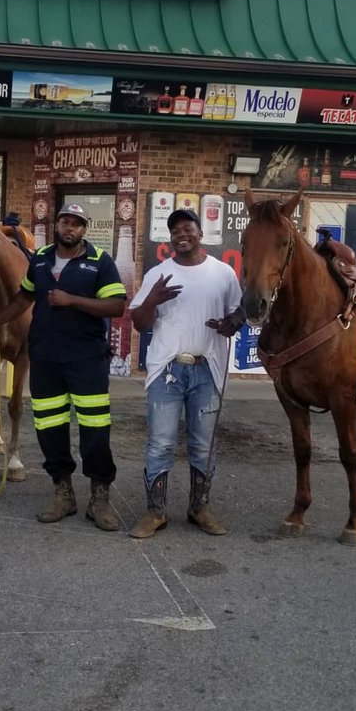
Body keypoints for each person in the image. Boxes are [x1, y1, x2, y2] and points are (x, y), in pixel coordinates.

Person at [0, 204, 127, 530]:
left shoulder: (99, 261)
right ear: (57, 224)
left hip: (86, 359)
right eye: (65, 221)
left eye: (77, 224)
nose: (70, 227)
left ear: (84, 229)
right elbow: (24, 298)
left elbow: (116, 305)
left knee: (95, 430)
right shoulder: (41, 258)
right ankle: (63, 492)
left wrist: (71, 300)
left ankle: (99, 497)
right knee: (50, 428)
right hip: (46, 358)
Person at [127, 207, 243, 539]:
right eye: (175, 230)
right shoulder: (158, 274)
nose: (182, 234)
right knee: (160, 443)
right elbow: (139, 323)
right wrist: (153, 299)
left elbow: (238, 314)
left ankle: (200, 508)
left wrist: (229, 324)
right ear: (170, 238)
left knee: (203, 444)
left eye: (187, 228)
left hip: (208, 370)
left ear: (200, 234)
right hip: (166, 370)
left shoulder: (223, 273)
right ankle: (155, 512)